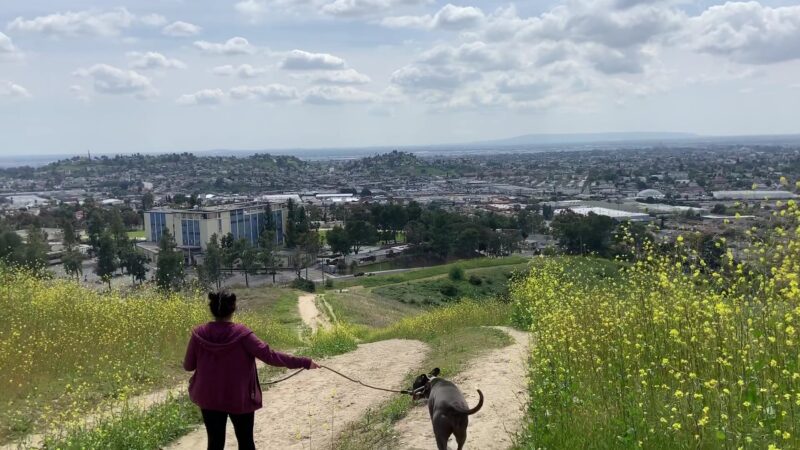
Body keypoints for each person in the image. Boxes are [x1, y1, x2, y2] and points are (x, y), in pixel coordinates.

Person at [184, 291, 319, 450]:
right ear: (233, 307)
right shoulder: (242, 334)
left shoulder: (198, 334)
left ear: (211, 308)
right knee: (245, 441)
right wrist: (304, 362)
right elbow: (270, 356)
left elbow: (188, 366)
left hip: (209, 397)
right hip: (239, 397)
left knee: (214, 443)